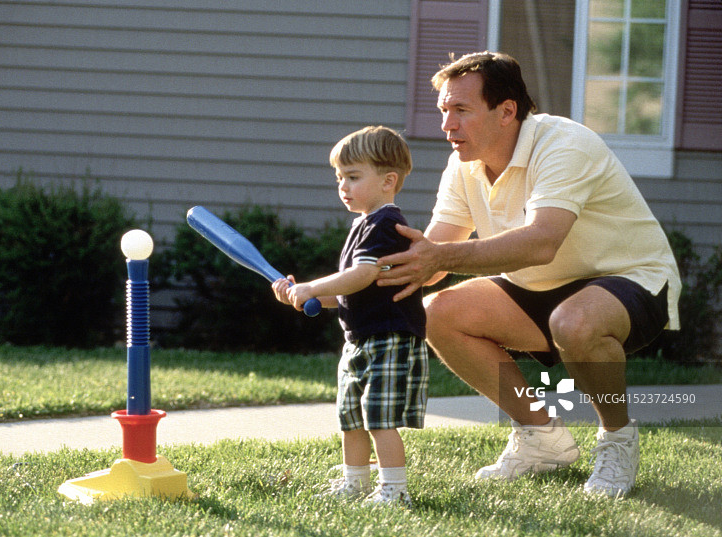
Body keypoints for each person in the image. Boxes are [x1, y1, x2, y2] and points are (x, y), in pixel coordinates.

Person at [375, 52, 680, 498]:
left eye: (460, 110)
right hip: (536, 288)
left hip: (632, 280)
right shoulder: (463, 165)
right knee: (438, 312)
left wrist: (435, 258)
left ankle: (617, 438)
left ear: (507, 111)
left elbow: (541, 242)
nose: (447, 125)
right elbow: (431, 253)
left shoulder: (564, 144)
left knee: (574, 323)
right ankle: (542, 438)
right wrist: (344, 286)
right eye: (444, 111)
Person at [272, 126, 429, 507]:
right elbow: (352, 291)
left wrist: (312, 286)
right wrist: (306, 297)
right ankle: (354, 483)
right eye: (339, 177)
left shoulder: (384, 224)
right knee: (351, 418)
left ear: (388, 180)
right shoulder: (361, 225)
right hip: (359, 339)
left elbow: (364, 275)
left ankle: (394, 489)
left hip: (389, 337)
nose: (343, 185)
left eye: (353, 177)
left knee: (377, 418)